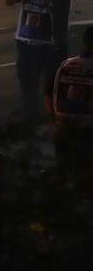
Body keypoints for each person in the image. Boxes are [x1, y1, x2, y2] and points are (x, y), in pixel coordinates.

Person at [6, 0, 77, 121]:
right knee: (28, 85)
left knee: (53, 85)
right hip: (27, 43)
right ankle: (31, 118)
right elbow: (9, 1)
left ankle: (55, 118)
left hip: (53, 45)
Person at [45, 26, 93, 182]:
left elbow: (48, 95)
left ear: (84, 44)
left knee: (64, 180)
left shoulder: (66, 65)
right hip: (88, 136)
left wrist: (56, 121)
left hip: (64, 132)